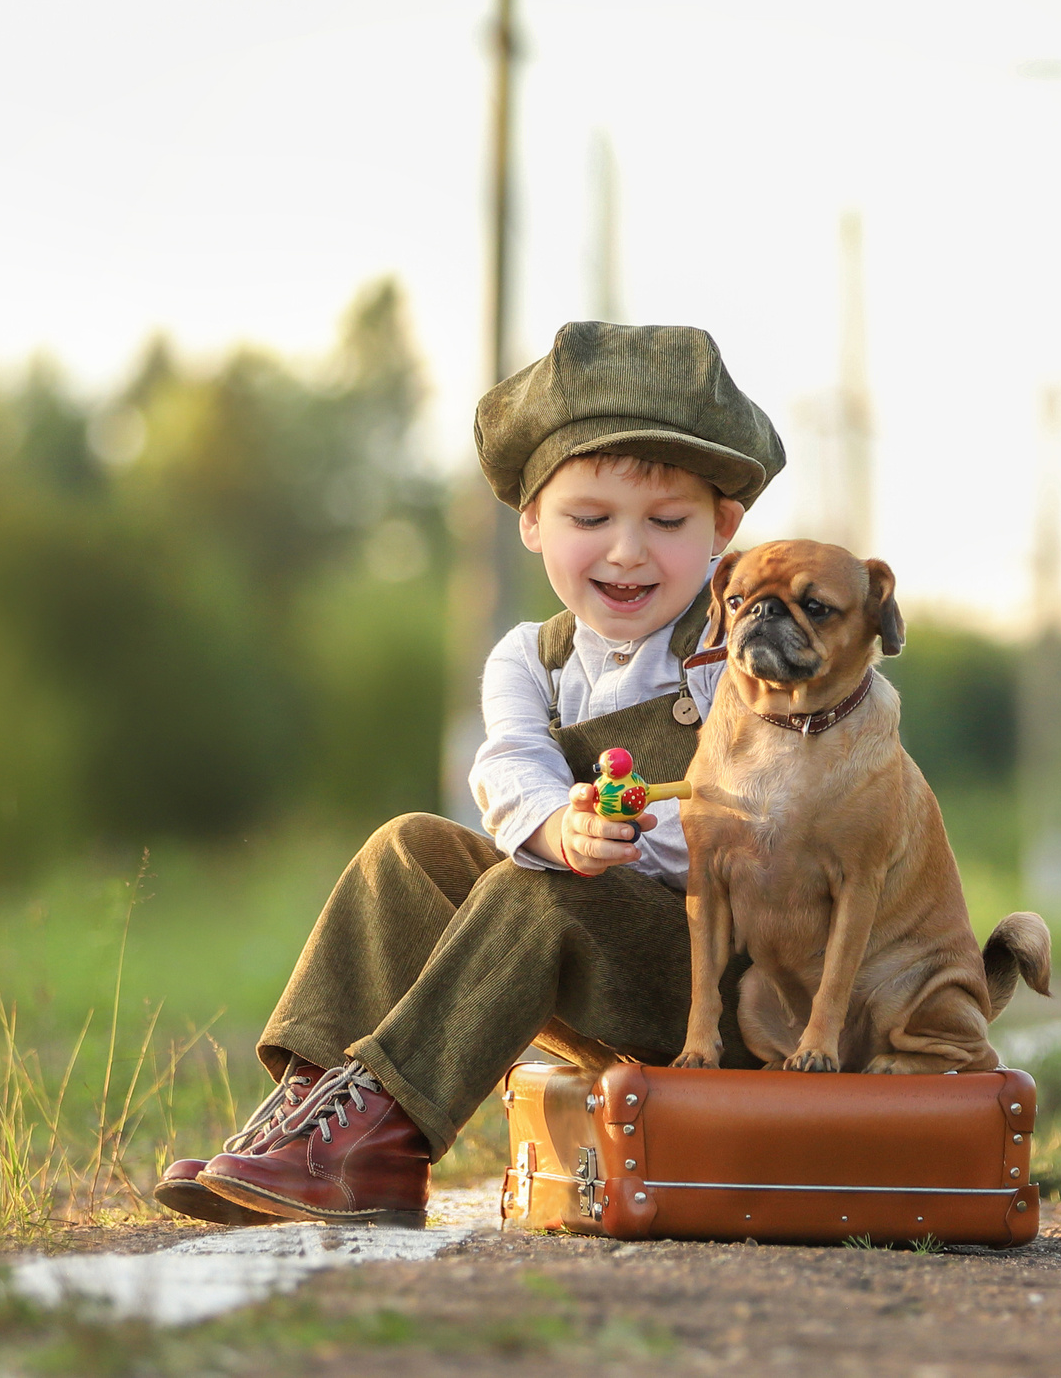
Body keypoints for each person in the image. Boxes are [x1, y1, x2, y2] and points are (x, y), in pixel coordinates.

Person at [156, 321, 787, 1226]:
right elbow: (513, 769)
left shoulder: (744, 652)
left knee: (542, 895)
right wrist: (560, 827)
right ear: (532, 520)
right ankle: (313, 1111)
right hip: (593, 953)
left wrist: (645, 839)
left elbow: (781, 819)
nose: (626, 551)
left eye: (669, 521)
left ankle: (379, 1139)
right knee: (407, 849)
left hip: (720, 990)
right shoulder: (529, 659)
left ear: (724, 527)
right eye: (589, 517)